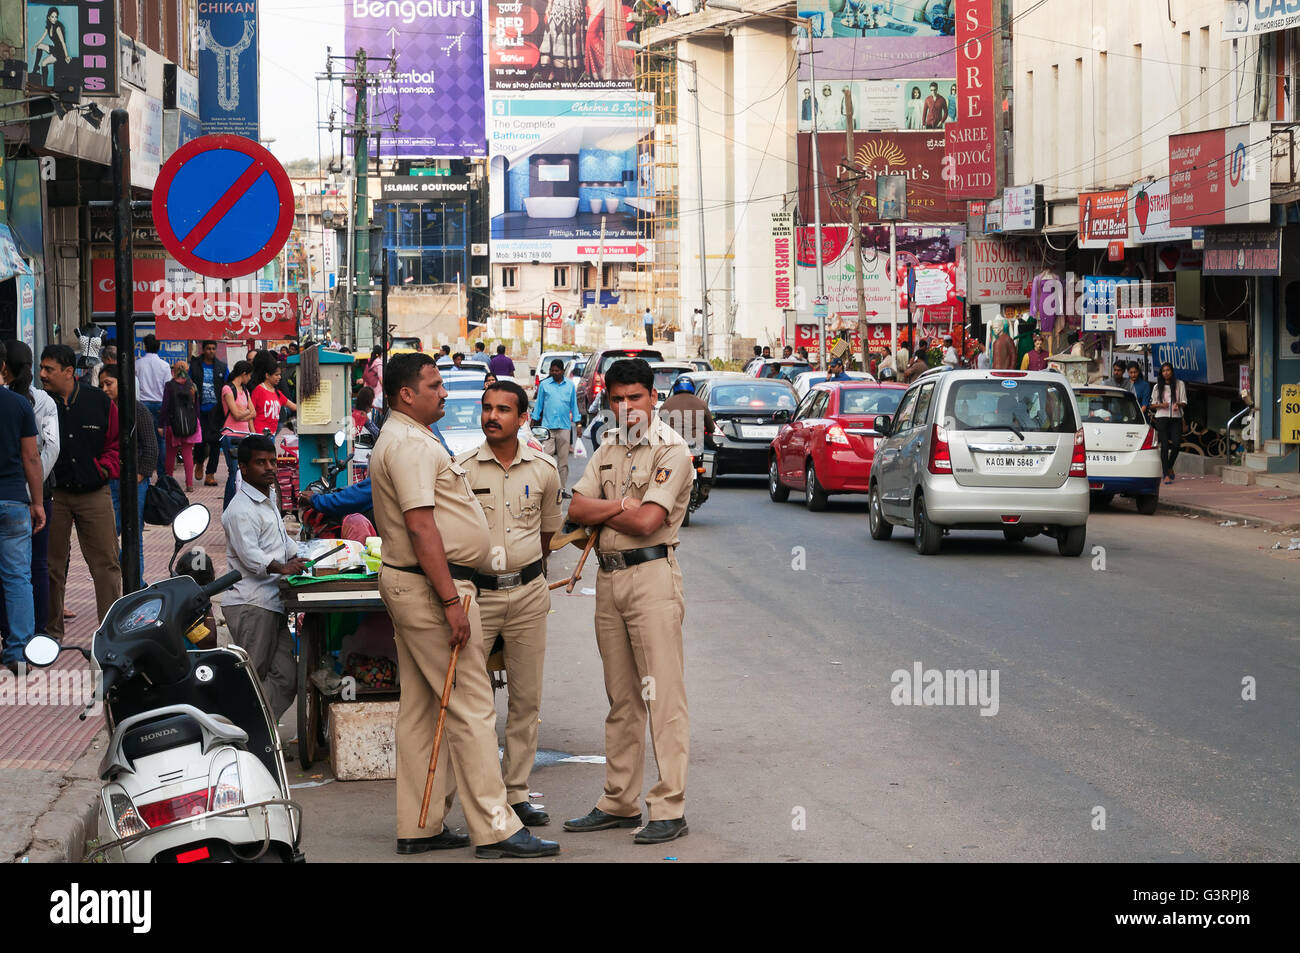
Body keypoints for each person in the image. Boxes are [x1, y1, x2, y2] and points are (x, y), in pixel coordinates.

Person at [369, 352, 557, 858]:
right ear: (407, 394)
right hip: (434, 589)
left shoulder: (413, 436)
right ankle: (497, 828)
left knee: (423, 709)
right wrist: (452, 600)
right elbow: (421, 525)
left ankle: (420, 824)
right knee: (473, 708)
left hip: (420, 585)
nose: (445, 393)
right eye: (434, 385)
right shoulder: (407, 444)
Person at [565, 358, 694, 845]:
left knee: (662, 698)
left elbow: (648, 524)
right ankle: (618, 802)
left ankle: (668, 807)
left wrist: (608, 512)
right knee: (621, 699)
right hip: (609, 580)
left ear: (652, 398)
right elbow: (576, 509)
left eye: (634, 398)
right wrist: (621, 505)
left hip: (652, 577)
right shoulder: (608, 446)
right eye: (616, 399)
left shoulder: (673, 450)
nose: (625, 408)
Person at [456, 380, 563, 827]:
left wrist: (521, 569)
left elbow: (546, 537)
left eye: (503, 409)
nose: (492, 416)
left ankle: (517, 792)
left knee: (526, 698)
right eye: (486, 408)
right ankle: (483, 798)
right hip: (477, 594)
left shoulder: (544, 469)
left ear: (522, 418)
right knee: (471, 701)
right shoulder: (460, 470)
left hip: (528, 594)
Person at [40, 344, 121, 643]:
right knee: (51, 566)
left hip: (94, 494)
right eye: (41, 368)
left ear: (69, 372)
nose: (42, 374)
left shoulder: (98, 401)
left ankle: (111, 635)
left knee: (106, 565)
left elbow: (115, 444)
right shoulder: (39, 403)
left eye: (49, 369)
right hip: (54, 496)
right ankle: (51, 635)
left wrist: (103, 469)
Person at [220, 434, 302, 720]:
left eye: (272, 461)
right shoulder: (240, 510)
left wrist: (302, 556)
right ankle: (244, 736)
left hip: (272, 601)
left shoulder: (270, 496)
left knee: (288, 677)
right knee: (252, 678)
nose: (269, 468)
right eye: (260, 463)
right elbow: (252, 558)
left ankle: (258, 729)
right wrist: (283, 568)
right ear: (243, 467)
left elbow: (281, 541)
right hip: (250, 604)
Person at [0, 341, 57, 642]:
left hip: (17, 496)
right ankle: (21, 646)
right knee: (20, 576)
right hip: (16, 499)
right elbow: (34, 455)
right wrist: (36, 498)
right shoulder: (25, 404)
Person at [98, 367, 157, 584]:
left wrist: (139, 476)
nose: (105, 388)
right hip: (109, 481)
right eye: (101, 384)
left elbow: (151, 448)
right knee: (107, 535)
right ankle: (129, 575)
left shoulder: (137, 410)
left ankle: (137, 583)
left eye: (109, 383)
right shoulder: (101, 410)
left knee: (134, 537)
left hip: (134, 484)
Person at [532, 357, 581, 491]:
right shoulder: (544, 385)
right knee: (547, 459)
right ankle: (547, 488)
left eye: (557, 370)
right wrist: (533, 423)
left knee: (563, 461)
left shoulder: (570, 385)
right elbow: (539, 406)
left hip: (564, 428)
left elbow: (574, 406)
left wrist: (578, 424)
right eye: (552, 370)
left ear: (562, 371)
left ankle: (562, 488)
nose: (554, 373)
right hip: (547, 429)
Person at [189, 341, 227, 487]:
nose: (211, 351)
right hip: (199, 410)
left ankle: (210, 474)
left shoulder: (222, 367)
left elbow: (228, 385)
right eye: (208, 349)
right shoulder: (195, 365)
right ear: (203, 350)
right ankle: (199, 463)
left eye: (213, 349)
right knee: (200, 441)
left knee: (216, 443)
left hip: (216, 412)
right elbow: (188, 381)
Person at [161, 362, 203, 491]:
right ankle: (189, 484)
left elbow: (165, 406)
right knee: (188, 454)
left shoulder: (170, 386)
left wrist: (162, 424)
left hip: (172, 425)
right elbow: (196, 407)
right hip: (190, 424)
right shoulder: (192, 386)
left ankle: (169, 483)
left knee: (170, 455)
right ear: (187, 370)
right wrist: (196, 422)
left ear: (174, 370)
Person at [220, 360, 255, 509]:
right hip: (231, 434)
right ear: (243, 374)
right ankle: (229, 507)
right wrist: (246, 413)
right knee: (234, 472)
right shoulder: (228, 389)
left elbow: (253, 412)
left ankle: (239, 505)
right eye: (249, 375)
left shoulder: (245, 390)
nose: (250, 379)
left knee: (245, 473)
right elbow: (235, 415)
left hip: (245, 435)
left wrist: (245, 414)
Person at [136, 334, 172, 478]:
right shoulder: (164, 366)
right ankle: (162, 475)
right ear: (159, 347)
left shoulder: (138, 364)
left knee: (143, 441)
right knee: (160, 440)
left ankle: (146, 474)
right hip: (159, 405)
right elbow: (167, 388)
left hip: (142, 404)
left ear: (145, 346)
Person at [1150, 361, 1187, 484]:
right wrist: (1161, 405)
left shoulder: (1179, 384)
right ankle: (1165, 474)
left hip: (1176, 418)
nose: (1166, 372)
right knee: (1164, 446)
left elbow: (1184, 401)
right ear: (1161, 373)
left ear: (1172, 371)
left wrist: (1178, 404)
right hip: (1162, 418)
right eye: (1163, 371)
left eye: (1168, 370)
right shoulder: (1157, 387)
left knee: (1176, 445)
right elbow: (1152, 405)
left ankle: (1170, 466)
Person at [658, 376, 715, 454]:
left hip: (672, 445)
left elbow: (658, 424)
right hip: (695, 445)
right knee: (710, 451)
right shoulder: (701, 403)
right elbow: (711, 428)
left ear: (675, 388)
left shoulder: (667, 403)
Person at [251, 353, 296, 436]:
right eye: (276, 375)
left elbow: (294, 407)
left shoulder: (277, 393)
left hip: (272, 434)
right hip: (259, 434)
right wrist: (253, 434)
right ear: (267, 375)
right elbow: (250, 414)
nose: (279, 377)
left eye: (280, 374)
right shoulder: (258, 390)